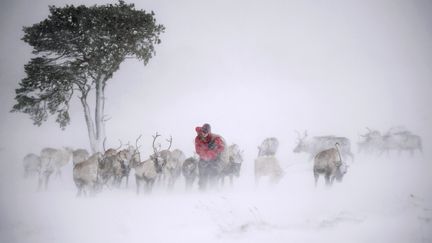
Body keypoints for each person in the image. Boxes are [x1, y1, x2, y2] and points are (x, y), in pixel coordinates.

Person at [194, 123, 225, 190]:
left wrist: (215, 149)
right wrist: (206, 153)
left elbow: (222, 147)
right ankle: (202, 190)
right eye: (203, 132)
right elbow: (198, 150)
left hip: (214, 159)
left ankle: (213, 189)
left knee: (214, 174)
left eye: (206, 132)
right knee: (202, 175)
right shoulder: (198, 138)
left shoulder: (215, 138)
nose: (204, 133)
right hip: (203, 159)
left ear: (209, 132)